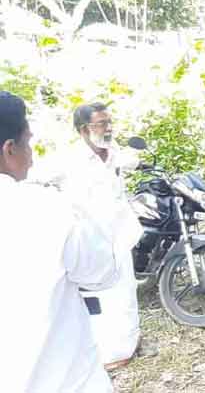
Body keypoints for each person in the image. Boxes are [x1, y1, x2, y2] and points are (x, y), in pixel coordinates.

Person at [1, 91, 119, 393]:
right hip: (61, 378)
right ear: (9, 149)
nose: (32, 153)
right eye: (28, 142)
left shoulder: (116, 152)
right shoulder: (43, 206)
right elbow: (101, 273)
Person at [31, 102, 144, 370]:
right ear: (84, 130)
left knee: (126, 292)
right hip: (91, 241)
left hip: (121, 235)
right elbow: (31, 179)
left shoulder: (114, 154)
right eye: (102, 124)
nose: (108, 128)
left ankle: (128, 345)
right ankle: (106, 354)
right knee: (100, 300)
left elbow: (134, 160)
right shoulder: (68, 160)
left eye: (109, 122)